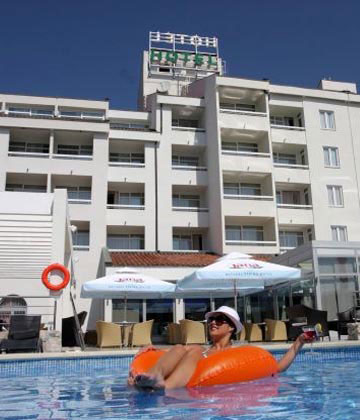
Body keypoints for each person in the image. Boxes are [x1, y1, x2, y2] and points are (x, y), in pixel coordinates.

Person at [128, 306, 314, 391]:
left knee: (193, 350)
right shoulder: (199, 349)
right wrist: (149, 350)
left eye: (219, 320)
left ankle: (164, 387)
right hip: (180, 386)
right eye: (211, 320)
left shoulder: (238, 354)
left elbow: (277, 368)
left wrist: (298, 343)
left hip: (192, 399)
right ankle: (152, 377)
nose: (213, 323)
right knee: (179, 347)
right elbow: (170, 356)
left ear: (231, 327)